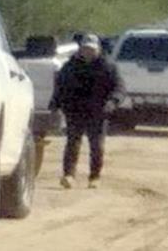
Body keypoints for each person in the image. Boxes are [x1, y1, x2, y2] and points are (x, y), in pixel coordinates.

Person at [49, 34, 124, 189]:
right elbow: (60, 86)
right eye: (85, 48)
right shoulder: (70, 66)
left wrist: (113, 101)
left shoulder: (108, 66)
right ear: (80, 49)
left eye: (91, 49)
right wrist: (55, 103)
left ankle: (94, 177)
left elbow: (119, 88)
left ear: (98, 50)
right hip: (75, 110)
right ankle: (68, 175)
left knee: (96, 146)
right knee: (72, 143)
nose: (88, 52)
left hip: (98, 111)